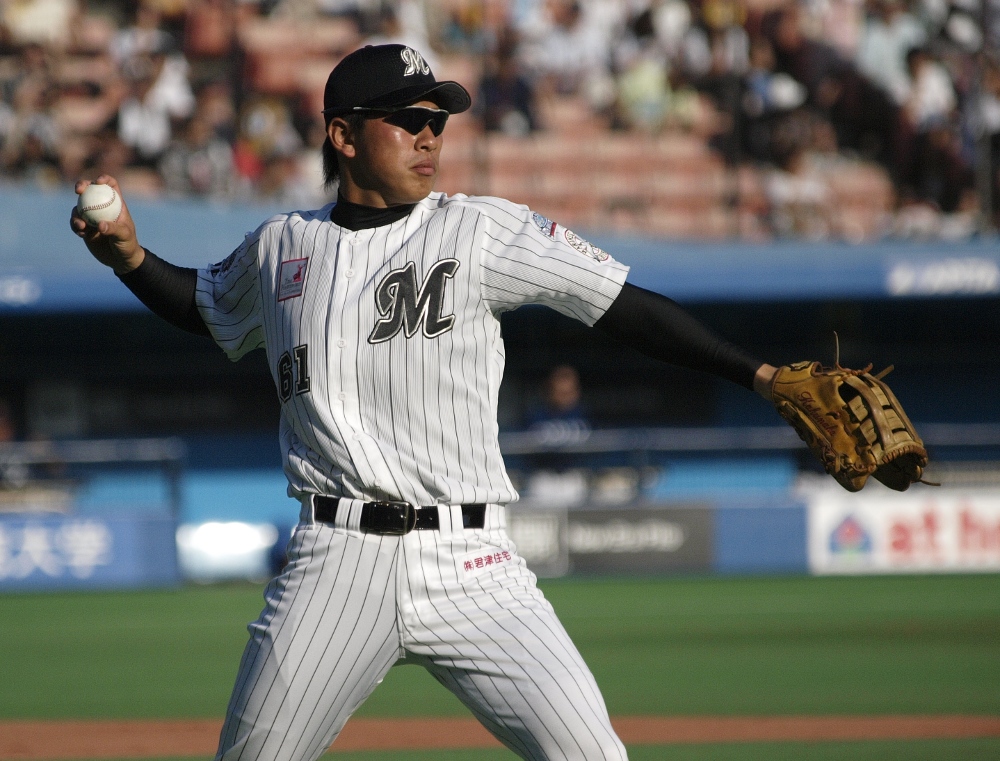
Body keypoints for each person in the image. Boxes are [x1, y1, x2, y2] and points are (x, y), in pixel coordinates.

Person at [71, 44, 778, 761]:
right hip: (335, 561)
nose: (430, 136)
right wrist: (129, 256)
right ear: (344, 135)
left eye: (438, 120)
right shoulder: (282, 245)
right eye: (408, 119)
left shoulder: (478, 230)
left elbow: (624, 308)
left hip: (473, 561)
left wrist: (763, 375)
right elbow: (205, 307)